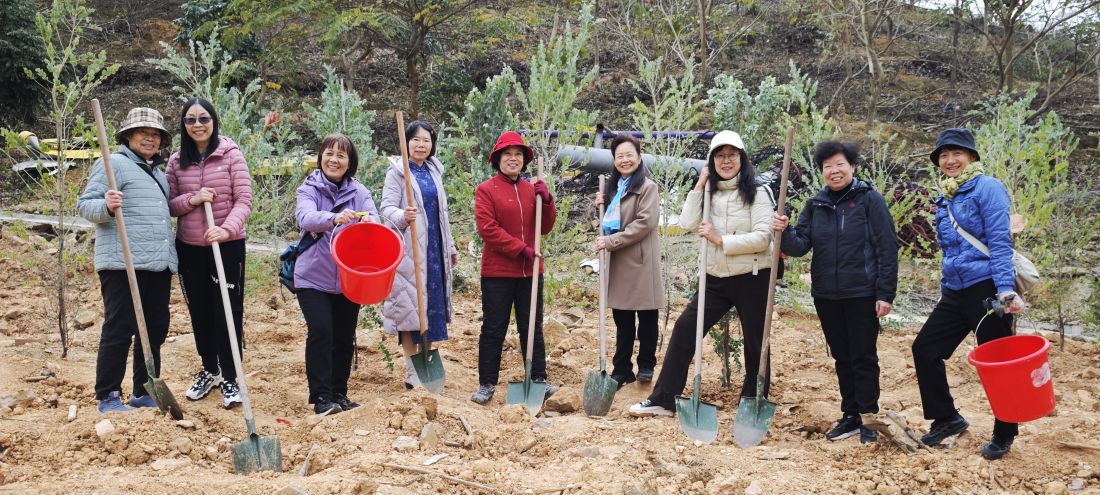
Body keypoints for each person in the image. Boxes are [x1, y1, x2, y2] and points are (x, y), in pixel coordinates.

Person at [629, 130, 773, 417]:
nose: (726, 161)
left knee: (757, 340)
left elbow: (763, 237)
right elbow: (686, 222)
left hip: (753, 276)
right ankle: (664, 399)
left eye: (732, 155)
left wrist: (721, 239)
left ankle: (753, 400)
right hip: (715, 278)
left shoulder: (758, 191)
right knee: (685, 329)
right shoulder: (710, 191)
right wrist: (700, 183)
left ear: (742, 159)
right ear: (712, 161)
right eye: (720, 155)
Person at [772, 140, 899, 444]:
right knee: (842, 357)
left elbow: (886, 247)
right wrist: (785, 230)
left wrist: (885, 293)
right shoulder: (816, 204)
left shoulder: (870, 200)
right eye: (828, 166)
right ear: (822, 172)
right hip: (827, 294)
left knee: (863, 356)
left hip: (862, 293)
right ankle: (851, 416)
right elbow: (800, 246)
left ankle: (869, 417)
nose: (834, 171)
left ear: (852, 167)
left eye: (840, 164)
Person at [911, 128, 1024, 460]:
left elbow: (1001, 243)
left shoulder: (988, 188)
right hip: (957, 291)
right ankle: (947, 418)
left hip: (988, 289)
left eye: (956, 153)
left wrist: (1005, 290)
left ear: (971, 156)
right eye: (943, 156)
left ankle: (1005, 433)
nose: (950, 161)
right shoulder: (945, 196)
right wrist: (947, 287)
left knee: (997, 363)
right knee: (925, 348)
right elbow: (950, 251)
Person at [77, 107, 177, 413]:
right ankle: (108, 394)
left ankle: (143, 391)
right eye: (143, 133)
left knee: (155, 329)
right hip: (124, 263)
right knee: (120, 328)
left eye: (155, 134)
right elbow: (84, 205)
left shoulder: (158, 173)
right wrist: (106, 206)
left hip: (158, 264)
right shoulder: (113, 165)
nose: (150, 139)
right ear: (129, 136)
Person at [166, 97, 253, 409]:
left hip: (227, 246)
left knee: (228, 311)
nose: (197, 125)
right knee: (200, 310)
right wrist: (192, 199)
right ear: (184, 125)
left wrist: (226, 229)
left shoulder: (230, 155)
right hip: (190, 248)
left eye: (203, 118)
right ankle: (211, 369)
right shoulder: (177, 162)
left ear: (214, 121)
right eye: (190, 120)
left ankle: (231, 374)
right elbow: (171, 204)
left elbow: (244, 199)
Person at [293, 133, 379, 414]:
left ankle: (339, 393)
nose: (334, 159)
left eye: (341, 155)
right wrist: (333, 218)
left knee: (344, 336)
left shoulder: (360, 192)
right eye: (329, 153)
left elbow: (375, 222)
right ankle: (321, 397)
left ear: (350, 162)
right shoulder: (309, 188)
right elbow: (305, 218)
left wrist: (365, 221)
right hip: (312, 276)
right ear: (321, 157)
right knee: (321, 331)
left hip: (348, 277)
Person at [471, 131, 558, 405]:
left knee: (532, 327)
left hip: (531, 272)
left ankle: (538, 380)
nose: (513, 159)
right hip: (498, 272)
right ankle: (487, 383)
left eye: (518, 155)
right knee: (494, 327)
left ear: (524, 160)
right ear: (498, 159)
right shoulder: (486, 190)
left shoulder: (532, 189)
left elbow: (543, 227)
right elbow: (488, 230)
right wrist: (522, 250)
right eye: (507, 154)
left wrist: (548, 201)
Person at [380, 120, 458, 389]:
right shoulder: (397, 172)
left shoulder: (435, 170)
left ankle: (428, 360)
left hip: (434, 248)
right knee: (410, 309)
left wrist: (450, 247)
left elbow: (442, 214)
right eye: (415, 139)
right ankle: (412, 368)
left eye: (426, 140)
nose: (421, 144)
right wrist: (403, 215)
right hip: (410, 250)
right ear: (407, 143)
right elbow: (386, 209)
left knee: (433, 308)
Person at [593, 134, 664, 388]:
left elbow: (644, 223)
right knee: (622, 321)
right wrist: (600, 206)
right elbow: (608, 223)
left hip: (640, 261)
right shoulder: (612, 189)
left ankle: (646, 366)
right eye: (619, 156)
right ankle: (622, 369)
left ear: (639, 157)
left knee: (646, 318)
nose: (625, 160)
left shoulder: (648, 188)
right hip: (619, 261)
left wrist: (610, 242)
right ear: (614, 160)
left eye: (629, 155)